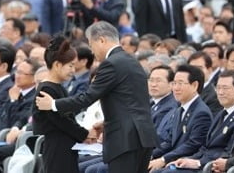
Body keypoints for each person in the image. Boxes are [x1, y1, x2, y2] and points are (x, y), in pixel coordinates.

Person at [36, 21, 158, 173]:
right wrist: (106, 122)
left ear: (101, 40)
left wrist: (53, 104)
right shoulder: (131, 60)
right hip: (143, 137)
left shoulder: (111, 63)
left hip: (125, 139)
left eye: (91, 44)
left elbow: (87, 97)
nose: (92, 51)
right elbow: (132, 103)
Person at [33, 36, 94, 173]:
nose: (73, 70)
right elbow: (60, 120)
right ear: (57, 65)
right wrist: (84, 134)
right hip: (56, 146)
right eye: (70, 65)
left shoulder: (58, 87)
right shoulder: (47, 89)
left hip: (65, 144)